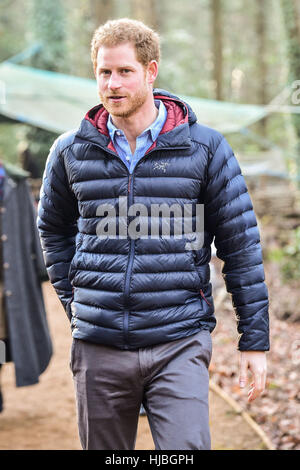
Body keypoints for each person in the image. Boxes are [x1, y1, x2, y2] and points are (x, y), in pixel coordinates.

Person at [37, 18, 269, 450]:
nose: (112, 83)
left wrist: (254, 340)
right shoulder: (69, 151)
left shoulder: (205, 148)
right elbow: (52, 231)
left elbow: (240, 245)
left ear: (151, 71)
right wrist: (78, 302)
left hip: (178, 340)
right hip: (98, 345)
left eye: (125, 71)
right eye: (104, 72)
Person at [0, 160, 52, 413]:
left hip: (13, 275)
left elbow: (33, 227)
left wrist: (42, 269)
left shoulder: (15, 181)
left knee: (5, 335)